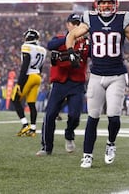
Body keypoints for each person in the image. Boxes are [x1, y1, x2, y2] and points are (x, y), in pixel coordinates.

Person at [65, 0, 129, 168]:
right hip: (96, 75)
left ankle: (110, 143)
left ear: (115, 3)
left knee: (113, 116)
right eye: (102, 2)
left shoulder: (124, 19)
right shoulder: (89, 19)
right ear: (97, 5)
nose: (106, 5)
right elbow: (72, 35)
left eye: (109, 2)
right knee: (92, 117)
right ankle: (87, 155)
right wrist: (71, 52)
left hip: (117, 75)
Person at [36, 13, 90, 156]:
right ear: (68, 25)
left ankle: (69, 134)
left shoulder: (86, 43)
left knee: (75, 115)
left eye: (79, 23)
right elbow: (50, 45)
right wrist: (69, 38)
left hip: (77, 83)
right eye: (73, 23)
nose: (76, 26)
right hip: (59, 83)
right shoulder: (60, 39)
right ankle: (46, 147)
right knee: (50, 114)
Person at [12, 28, 47, 137]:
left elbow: (25, 65)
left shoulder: (26, 47)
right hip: (37, 77)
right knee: (31, 104)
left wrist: (19, 83)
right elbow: (40, 67)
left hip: (29, 76)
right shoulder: (42, 50)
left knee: (15, 99)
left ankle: (25, 125)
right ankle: (33, 129)